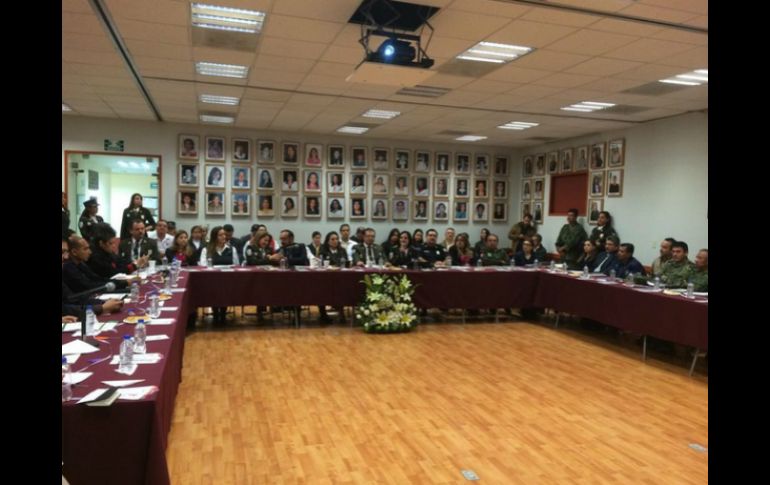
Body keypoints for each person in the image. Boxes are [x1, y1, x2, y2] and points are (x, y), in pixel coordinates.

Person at [199, 226, 239, 324]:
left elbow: (236, 265)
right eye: (220, 235)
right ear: (214, 237)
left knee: (225, 291)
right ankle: (216, 314)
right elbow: (203, 265)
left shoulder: (231, 249)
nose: (224, 237)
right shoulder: (206, 249)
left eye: (224, 234)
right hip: (212, 279)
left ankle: (223, 315)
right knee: (215, 291)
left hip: (228, 280)